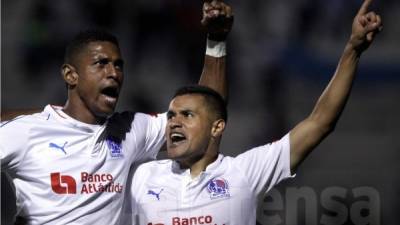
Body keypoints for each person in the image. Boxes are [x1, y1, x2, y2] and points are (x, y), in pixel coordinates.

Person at [130, 0, 383, 224]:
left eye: (187, 115)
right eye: (171, 115)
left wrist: (352, 51)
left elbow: (319, 123)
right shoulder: (143, 177)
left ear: (217, 127)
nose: (174, 121)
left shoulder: (244, 173)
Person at [0, 1, 233, 224]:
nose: (114, 73)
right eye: (101, 64)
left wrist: (217, 41)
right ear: (71, 75)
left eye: (118, 65)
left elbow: (206, 111)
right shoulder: (29, 131)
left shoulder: (130, 129)